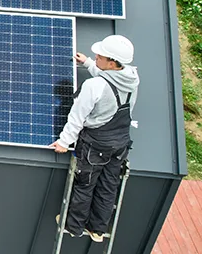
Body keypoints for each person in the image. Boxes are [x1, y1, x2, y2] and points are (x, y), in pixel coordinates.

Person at [49, 35, 139, 243]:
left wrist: (64, 142)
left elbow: (77, 117)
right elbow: (111, 80)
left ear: (112, 62)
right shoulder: (132, 78)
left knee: (85, 184)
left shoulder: (93, 87)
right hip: (120, 141)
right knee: (108, 185)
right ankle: (98, 230)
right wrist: (89, 63)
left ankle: (73, 225)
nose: (96, 56)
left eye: (100, 55)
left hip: (96, 144)